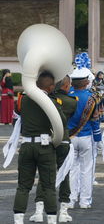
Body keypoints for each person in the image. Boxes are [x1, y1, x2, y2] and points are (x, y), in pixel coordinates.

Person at [13, 71, 66, 224]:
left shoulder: (24, 99)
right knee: (49, 186)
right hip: (44, 147)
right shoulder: (52, 101)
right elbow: (62, 122)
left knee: (23, 186)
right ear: (50, 87)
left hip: (27, 145)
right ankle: (51, 220)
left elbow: (18, 112)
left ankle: (18, 221)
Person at [29, 76, 78, 223]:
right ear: (66, 86)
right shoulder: (71, 102)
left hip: (47, 141)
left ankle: (38, 211)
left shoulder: (43, 100)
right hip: (63, 141)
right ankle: (63, 212)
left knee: (45, 176)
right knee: (64, 176)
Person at [68, 66, 102, 209]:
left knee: (71, 169)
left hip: (70, 137)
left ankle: (70, 199)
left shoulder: (67, 96)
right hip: (86, 136)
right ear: (85, 82)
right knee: (87, 170)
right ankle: (85, 201)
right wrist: (98, 138)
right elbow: (95, 121)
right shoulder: (92, 97)